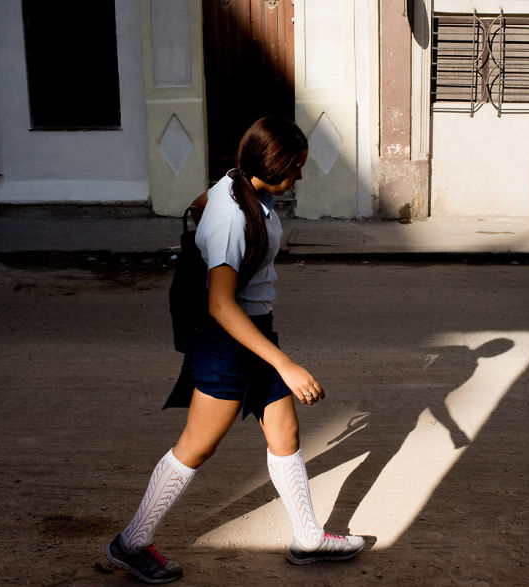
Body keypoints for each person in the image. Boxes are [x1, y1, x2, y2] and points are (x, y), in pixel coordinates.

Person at [105, 116, 364, 584]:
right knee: (196, 447)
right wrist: (286, 364)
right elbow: (221, 305)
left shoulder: (238, 185)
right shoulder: (231, 218)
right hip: (228, 340)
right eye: (295, 168)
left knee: (284, 433)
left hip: (255, 332)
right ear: (273, 165)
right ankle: (132, 541)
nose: (300, 176)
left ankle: (308, 537)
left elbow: (198, 204)